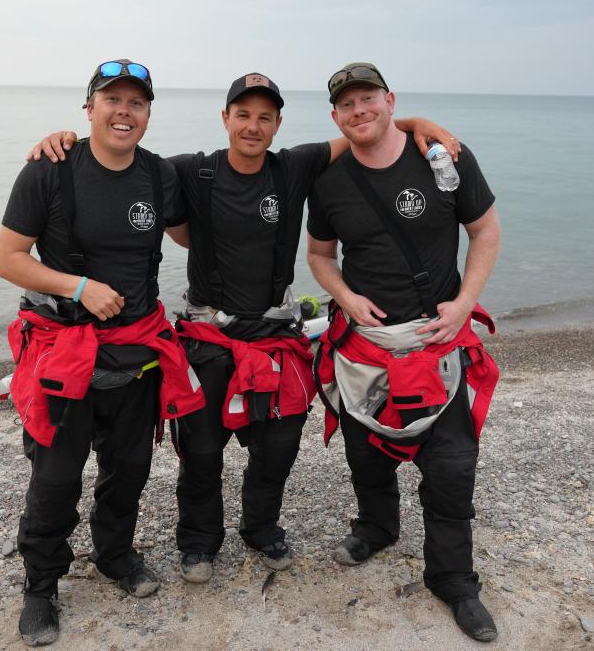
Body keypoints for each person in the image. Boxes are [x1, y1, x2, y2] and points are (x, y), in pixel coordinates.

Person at [29, 73, 460, 585]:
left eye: (264, 117)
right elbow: (118, 161)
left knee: (277, 447)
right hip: (207, 334)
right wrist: (66, 142)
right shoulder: (190, 172)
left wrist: (415, 122)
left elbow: (365, 129)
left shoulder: (295, 167)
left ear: (278, 124)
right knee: (202, 450)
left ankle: (260, 527)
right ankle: (198, 540)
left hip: (275, 335)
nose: (252, 127)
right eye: (243, 115)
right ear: (225, 118)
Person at [0, 59, 203, 647]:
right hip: (65, 353)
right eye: (112, 100)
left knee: (129, 469)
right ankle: (41, 586)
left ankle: (114, 554)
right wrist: (77, 287)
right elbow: (8, 259)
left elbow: (199, 227)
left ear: (147, 115)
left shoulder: (162, 178)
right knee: (56, 477)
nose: (124, 112)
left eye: (137, 103)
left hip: (135, 354)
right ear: (88, 109)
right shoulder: (50, 171)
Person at [306, 62, 502, 642]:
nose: (360, 110)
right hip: (364, 348)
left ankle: (454, 580)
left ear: (390, 101)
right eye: (348, 104)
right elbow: (320, 255)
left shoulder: (443, 159)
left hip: (436, 340)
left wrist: (466, 302)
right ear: (336, 116)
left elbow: (485, 230)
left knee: (451, 466)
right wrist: (343, 295)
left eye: (369, 98)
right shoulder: (330, 181)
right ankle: (377, 527)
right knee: (366, 452)